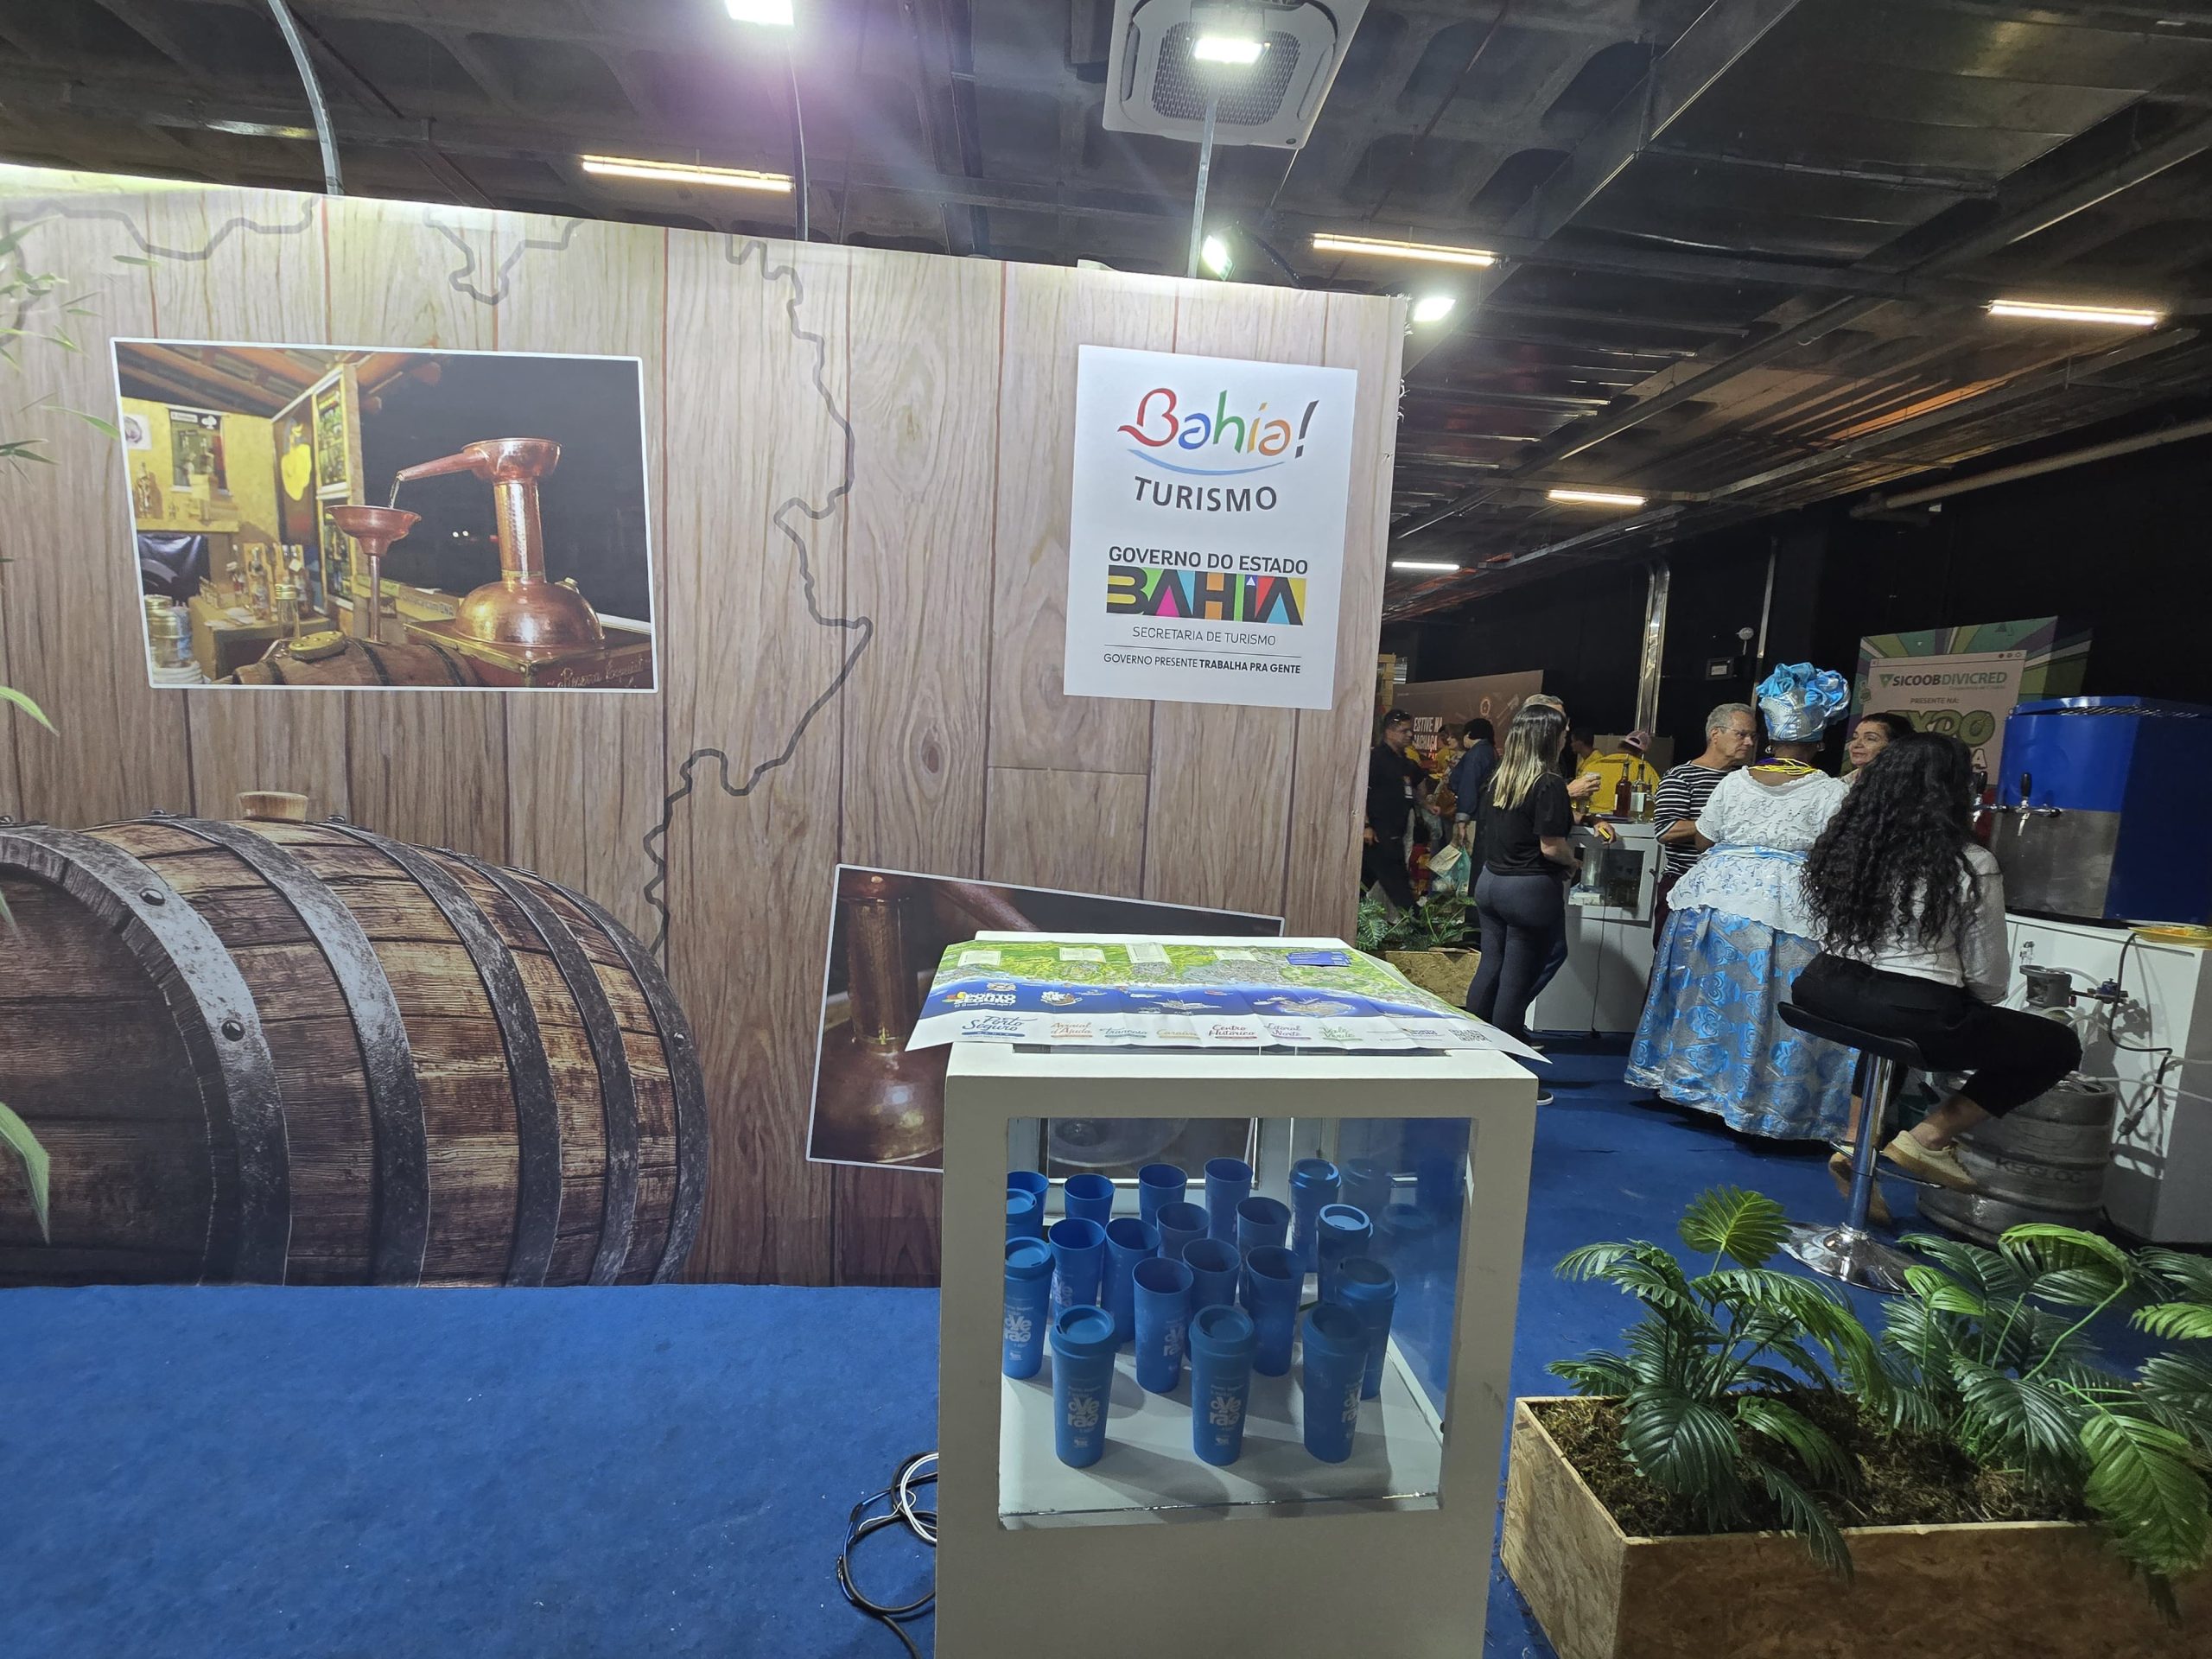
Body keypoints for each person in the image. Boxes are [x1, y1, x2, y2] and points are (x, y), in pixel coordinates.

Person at [1796, 732, 2082, 1205]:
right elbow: (1988, 979)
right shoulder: (1970, 862)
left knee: (1885, 1033)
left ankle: (1854, 1141)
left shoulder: (1846, 849)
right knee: (2056, 1044)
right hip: (1907, 1009)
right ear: (1953, 790)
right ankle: (1928, 1138)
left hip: (1822, 987)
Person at [1626, 664, 1856, 1141]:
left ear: (1771, 737)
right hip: (1787, 907)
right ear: (1819, 742)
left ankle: (1696, 1086)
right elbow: (1840, 852)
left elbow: (1705, 837)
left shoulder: (1734, 782)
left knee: (1706, 996)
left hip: (1713, 899)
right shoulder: (1831, 791)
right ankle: (1759, 1102)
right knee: (1771, 1002)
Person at [1464, 704, 1597, 1083]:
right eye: (1563, 731)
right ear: (1550, 737)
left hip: (1491, 883)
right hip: (1528, 890)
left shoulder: (1500, 778)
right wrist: (1573, 863)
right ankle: (1505, 1074)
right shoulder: (1548, 782)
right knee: (1515, 982)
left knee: (1490, 968)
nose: (1567, 737)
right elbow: (1551, 847)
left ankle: (1472, 1055)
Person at [1649, 702, 1757, 943]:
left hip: (1732, 891)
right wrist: (1718, 823)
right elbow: (1666, 830)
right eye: (1741, 734)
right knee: (1671, 955)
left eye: (1753, 736)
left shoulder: (1748, 780)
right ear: (1715, 734)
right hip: (1684, 884)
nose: (1749, 742)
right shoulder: (1681, 776)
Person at [1363, 709, 1423, 910]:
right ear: (1389, 731)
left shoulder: (1404, 761)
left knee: (1383, 880)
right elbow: (1361, 793)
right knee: (1396, 884)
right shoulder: (1376, 759)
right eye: (1404, 731)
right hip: (1378, 834)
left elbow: (1414, 785)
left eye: (1411, 730)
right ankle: (1415, 921)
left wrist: (1427, 804)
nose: (1410, 735)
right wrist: (1366, 825)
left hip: (1398, 831)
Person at [1580, 730, 1662, 811]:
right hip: (1622, 817)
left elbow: (1579, 795)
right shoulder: (1644, 767)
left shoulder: (1593, 764)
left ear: (1620, 746)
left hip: (1590, 816)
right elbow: (1658, 796)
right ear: (1641, 753)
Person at [1448, 718, 1497, 854]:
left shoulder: (1475, 755)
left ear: (1469, 734)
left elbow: (1468, 786)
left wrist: (1462, 821)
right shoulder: (1491, 751)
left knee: (1465, 855)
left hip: (1473, 817)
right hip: (1487, 814)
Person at [1845, 710, 1915, 779]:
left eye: (1870, 738)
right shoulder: (1841, 784)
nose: (1856, 744)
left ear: (1894, 746)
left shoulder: (1909, 784)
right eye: (1855, 737)